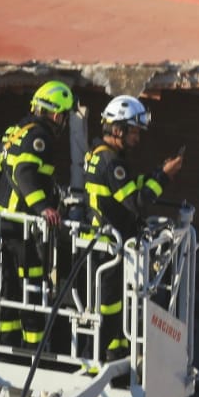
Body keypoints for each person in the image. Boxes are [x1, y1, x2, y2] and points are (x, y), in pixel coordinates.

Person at [80, 95, 185, 363]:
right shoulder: (111, 163)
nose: (137, 138)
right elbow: (136, 203)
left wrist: (155, 173)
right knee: (110, 311)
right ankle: (93, 364)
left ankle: (115, 354)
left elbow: (127, 185)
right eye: (134, 132)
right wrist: (163, 177)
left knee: (115, 309)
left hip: (104, 244)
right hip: (109, 248)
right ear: (118, 130)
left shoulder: (100, 155)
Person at [0, 79, 75, 349]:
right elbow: (24, 174)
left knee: (9, 291)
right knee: (32, 291)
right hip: (24, 229)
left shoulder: (14, 132)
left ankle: (8, 347)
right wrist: (43, 208)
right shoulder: (40, 137)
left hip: (5, 227)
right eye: (65, 117)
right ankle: (33, 350)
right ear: (57, 114)